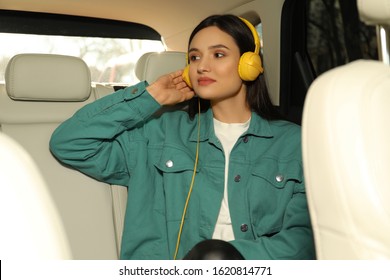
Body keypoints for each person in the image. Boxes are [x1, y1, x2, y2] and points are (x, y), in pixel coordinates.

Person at [50, 14, 315, 260]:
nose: (202, 67)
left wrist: (227, 257)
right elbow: (70, 143)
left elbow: (304, 238)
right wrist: (151, 97)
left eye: (218, 54)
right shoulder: (159, 132)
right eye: (195, 58)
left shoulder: (294, 142)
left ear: (250, 65)